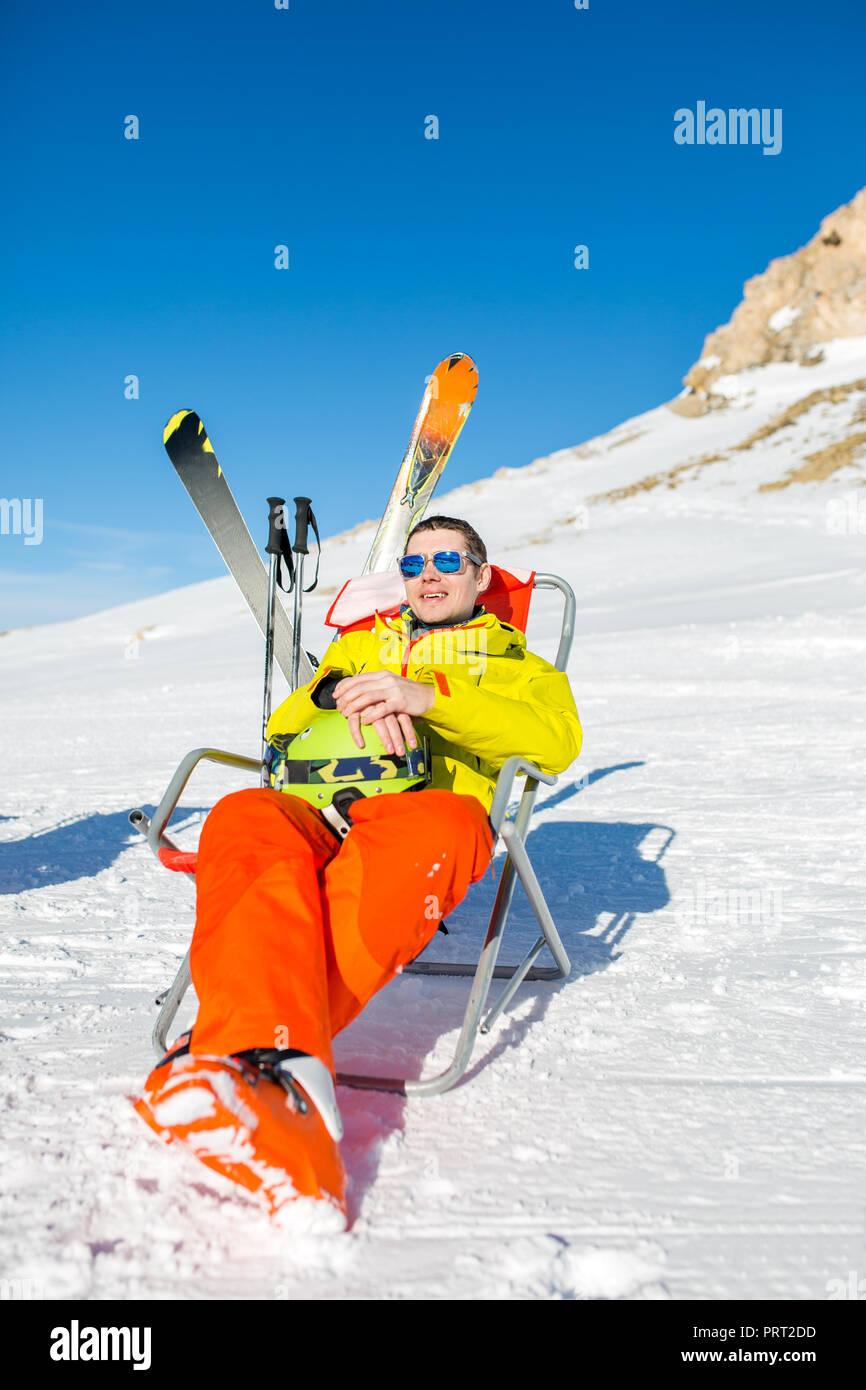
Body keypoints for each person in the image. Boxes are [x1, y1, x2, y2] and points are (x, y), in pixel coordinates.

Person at [133, 517, 582, 1227]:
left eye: (447, 560)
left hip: (427, 817)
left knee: (443, 824)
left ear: (479, 575)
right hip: (319, 807)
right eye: (414, 562)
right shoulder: (358, 643)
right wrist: (334, 695)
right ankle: (263, 1068)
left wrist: (426, 697)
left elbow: (555, 742)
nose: (429, 574)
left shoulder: (515, 664)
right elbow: (282, 729)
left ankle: (244, 1060)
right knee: (244, 814)